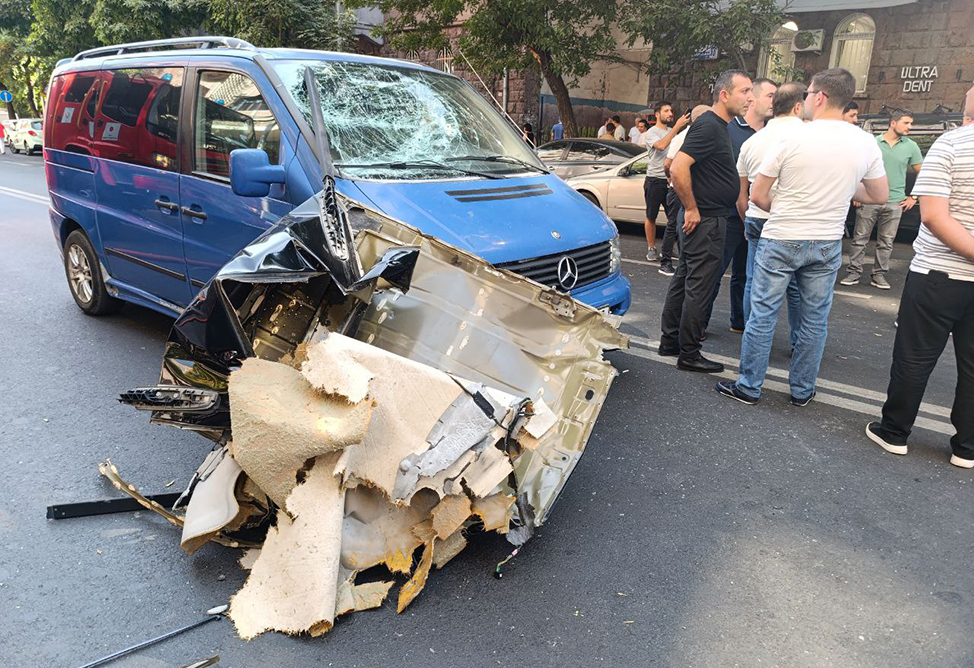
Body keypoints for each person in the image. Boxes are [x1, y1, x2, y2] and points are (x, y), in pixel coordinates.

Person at [715, 68, 888, 406]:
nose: (806, 100)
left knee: (763, 313)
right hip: (826, 241)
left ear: (820, 97)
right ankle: (802, 390)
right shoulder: (864, 140)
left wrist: (788, 204)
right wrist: (840, 193)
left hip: (783, 236)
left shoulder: (790, 138)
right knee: (814, 319)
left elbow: (759, 195)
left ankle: (749, 386)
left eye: (808, 94)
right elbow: (879, 194)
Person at [865, 83, 974, 467]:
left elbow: (933, 216)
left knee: (914, 356)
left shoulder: (951, 145)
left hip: (937, 274)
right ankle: (967, 447)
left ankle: (894, 432)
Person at [660, 71, 754, 373]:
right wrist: (691, 208)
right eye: (745, 91)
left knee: (685, 279)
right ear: (724, 94)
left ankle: (670, 341)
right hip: (707, 221)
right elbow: (678, 167)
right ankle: (689, 353)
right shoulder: (711, 126)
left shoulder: (716, 126)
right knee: (699, 287)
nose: (749, 98)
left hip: (708, 219)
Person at [704, 78, 777, 334]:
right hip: (730, 217)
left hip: (758, 219)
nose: (774, 102)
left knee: (747, 276)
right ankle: (698, 325)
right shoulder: (729, 128)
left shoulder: (774, 134)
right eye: (769, 95)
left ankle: (741, 321)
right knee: (714, 272)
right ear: (752, 98)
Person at [735, 82, 806, 343]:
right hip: (794, 222)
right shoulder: (807, 137)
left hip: (756, 217)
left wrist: (747, 221)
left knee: (754, 282)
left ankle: (751, 339)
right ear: (798, 106)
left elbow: (742, 196)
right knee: (797, 287)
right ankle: (800, 341)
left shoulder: (752, 142)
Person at [840, 109, 923, 289]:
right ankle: (854, 272)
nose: (910, 127)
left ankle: (879, 275)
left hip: (895, 201)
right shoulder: (872, 143)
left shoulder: (911, 146)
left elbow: (923, 173)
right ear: (893, 123)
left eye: (911, 123)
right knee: (860, 238)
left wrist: (914, 197)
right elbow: (858, 168)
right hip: (869, 199)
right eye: (906, 123)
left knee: (886, 242)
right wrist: (858, 192)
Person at [659, 104, 711, 276]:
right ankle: (665, 261)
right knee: (673, 225)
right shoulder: (682, 137)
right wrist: (670, 177)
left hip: (690, 189)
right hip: (678, 189)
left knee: (685, 227)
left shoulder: (700, 135)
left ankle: (683, 260)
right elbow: (668, 163)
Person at [643, 102, 690, 262]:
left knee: (674, 218)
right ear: (657, 114)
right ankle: (651, 247)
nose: (670, 113)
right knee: (651, 215)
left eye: (671, 110)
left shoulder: (673, 132)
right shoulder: (651, 132)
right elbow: (662, 146)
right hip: (655, 180)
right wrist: (677, 127)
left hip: (671, 181)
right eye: (666, 111)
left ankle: (668, 248)